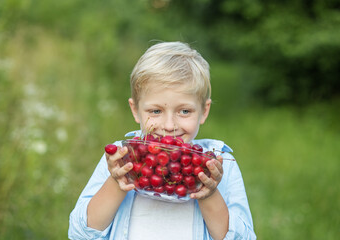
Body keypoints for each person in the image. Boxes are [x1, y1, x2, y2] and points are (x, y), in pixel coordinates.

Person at [68, 41, 256, 240]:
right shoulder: (122, 158)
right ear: (135, 110)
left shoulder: (218, 165)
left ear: (204, 111)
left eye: (184, 111)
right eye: (155, 111)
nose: (168, 125)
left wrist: (209, 194)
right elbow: (80, 234)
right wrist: (118, 182)